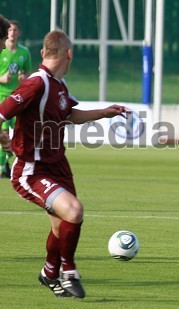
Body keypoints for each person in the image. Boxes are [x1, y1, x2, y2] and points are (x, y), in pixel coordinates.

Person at [0, 30, 129, 298]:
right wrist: (4, 138)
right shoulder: (36, 83)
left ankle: (49, 273)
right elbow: (3, 112)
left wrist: (104, 112)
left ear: (42, 52)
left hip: (58, 165)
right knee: (74, 211)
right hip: (32, 169)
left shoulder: (58, 85)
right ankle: (69, 272)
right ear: (69, 54)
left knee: (61, 228)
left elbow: (69, 114)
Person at [0, 20, 32, 178]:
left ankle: (6, 161)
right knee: (3, 132)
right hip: (2, 97)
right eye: (10, 30)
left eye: (15, 30)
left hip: (18, 99)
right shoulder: (1, 51)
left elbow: (28, 73)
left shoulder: (24, 53)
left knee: (19, 133)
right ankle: (2, 167)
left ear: (18, 33)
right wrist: (1, 78)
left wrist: (23, 78)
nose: (12, 33)